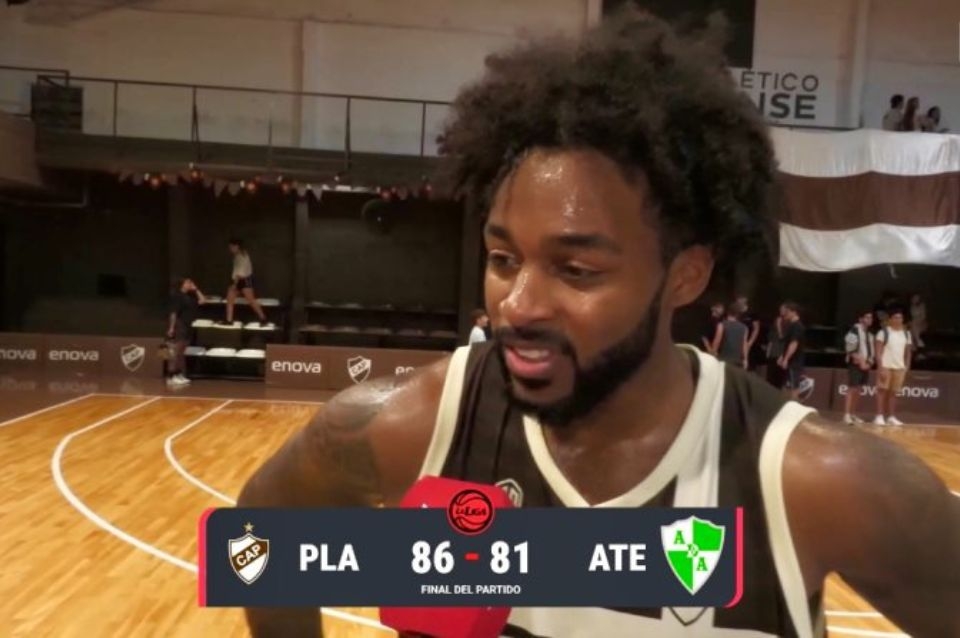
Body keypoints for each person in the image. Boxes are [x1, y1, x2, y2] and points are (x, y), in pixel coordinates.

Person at [238, 12, 959, 638]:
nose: (519, 304)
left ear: (685, 274)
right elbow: (258, 538)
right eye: (502, 258)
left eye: (577, 270)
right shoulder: (414, 425)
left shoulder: (815, 484)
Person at [875, 310, 913, 426]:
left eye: (900, 318)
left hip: (899, 367)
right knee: (882, 392)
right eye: (895, 318)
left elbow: (908, 351)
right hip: (886, 366)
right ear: (890, 320)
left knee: (894, 393)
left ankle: (891, 417)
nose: (898, 320)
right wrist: (881, 368)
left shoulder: (906, 334)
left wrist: (907, 366)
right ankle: (879, 416)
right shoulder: (883, 332)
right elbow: (878, 352)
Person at [166, 277, 205, 387]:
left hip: (188, 326)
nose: (191, 284)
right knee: (175, 352)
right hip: (180, 325)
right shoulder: (177, 296)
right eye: (188, 282)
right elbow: (173, 313)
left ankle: (178, 374)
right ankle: (171, 376)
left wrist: (196, 289)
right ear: (182, 284)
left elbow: (203, 301)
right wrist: (171, 328)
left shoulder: (190, 296)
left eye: (191, 282)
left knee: (181, 353)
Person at [224, 238, 269, 326]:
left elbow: (240, 273)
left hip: (244, 280)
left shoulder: (242, 256)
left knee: (251, 300)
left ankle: (263, 319)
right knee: (230, 298)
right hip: (238, 279)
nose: (230, 249)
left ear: (236, 246)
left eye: (231, 247)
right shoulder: (237, 256)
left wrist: (234, 284)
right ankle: (229, 320)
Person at [843, 310, 875, 424]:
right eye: (867, 317)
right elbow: (850, 349)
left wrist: (869, 363)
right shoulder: (853, 331)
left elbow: (871, 352)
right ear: (860, 319)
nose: (869, 320)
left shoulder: (870, 335)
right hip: (855, 364)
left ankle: (853, 414)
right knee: (852, 388)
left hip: (865, 365)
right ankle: (846, 415)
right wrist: (861, 362)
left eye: (871, 318)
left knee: (859, 390)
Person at [778, 302, 806, 400]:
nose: (785, 314)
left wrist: (786, 358)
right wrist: (782, 356)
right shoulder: (791, 325)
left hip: (795, 362)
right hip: (790, 361)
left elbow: (794, 344)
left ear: (794, 312)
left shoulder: (797, 326)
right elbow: (788, 343)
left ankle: (794, 406)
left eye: (788, 312)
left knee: (794, 386)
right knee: (786, 386)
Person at [714, 302, 748, 369]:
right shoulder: (744, 328)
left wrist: (713, 354)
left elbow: (716, 342)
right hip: (737, 360)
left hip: (723, 359)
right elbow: (744, 344)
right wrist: (745, 359)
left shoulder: (722, 325)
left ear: (728, 312)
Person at [735, 294, 761, 371]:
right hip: (737, 341)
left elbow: (756, 329)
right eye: (738, 300)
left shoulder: (752, 313)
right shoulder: (736, 313)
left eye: (741, 300)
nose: (739, 302)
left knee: (747, 363)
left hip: (748, 341)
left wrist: (750, 342)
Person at [764, 304, 786, 388]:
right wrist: (768, 351)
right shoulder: (774, 327)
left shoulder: (788, 324)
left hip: (781, 353)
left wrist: (779, 325)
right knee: (770, 377)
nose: (781, 311)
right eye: (780, 309)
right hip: (773, 353)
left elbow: (782, 337)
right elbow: (771, 339)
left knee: (779, 378)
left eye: (783, 309)